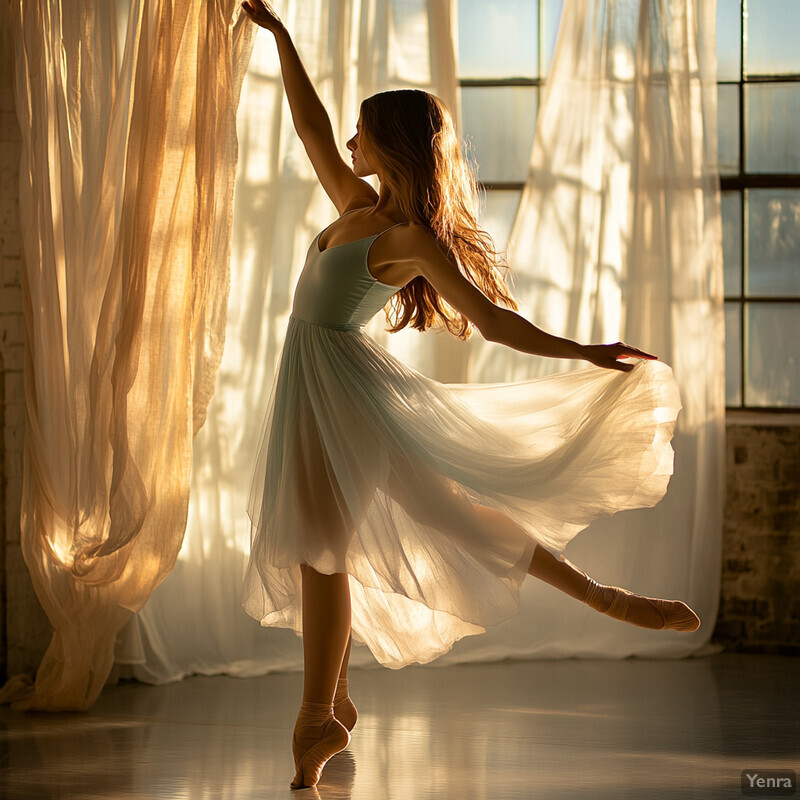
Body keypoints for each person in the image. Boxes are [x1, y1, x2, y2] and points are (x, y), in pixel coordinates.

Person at [240, 0, 701, 790]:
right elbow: (312, 129)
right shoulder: (354, 206)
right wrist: (281, 38)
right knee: (389, 531)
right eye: (352, 130)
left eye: (363, 129)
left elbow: (490, 320)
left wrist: (582, 351)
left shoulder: (405, 239)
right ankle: (335, 700)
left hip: (342, 394)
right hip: (322, 385)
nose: (349, 140)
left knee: (334, 546)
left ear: (389, 144)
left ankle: (322, 712)